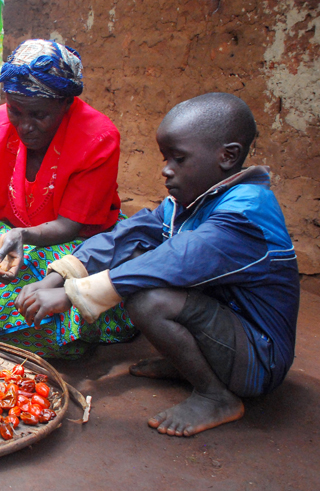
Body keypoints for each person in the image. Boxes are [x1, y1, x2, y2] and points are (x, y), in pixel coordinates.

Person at [16, 92, 300, 436]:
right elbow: (129, 234)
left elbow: (176, 260)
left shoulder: (246, 212)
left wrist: (72, 295)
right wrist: (59, 275)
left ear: (228, 156)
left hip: (258, 361)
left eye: (178, 159)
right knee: (134, 252)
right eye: (166, 158)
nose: (166, 169)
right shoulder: (191, 202)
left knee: (148, 295)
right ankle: (189, 364)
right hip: (229, 336)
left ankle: (216, 396)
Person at [0, 39, 134, 358]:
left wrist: (23, 235)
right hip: (21, 240)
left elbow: (71, 226)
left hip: (83, 242)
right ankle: (32, 330)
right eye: (15, 111)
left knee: (73, 273)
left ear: (65, 104)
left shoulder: (97, 138)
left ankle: (51, 335)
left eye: (39, 114)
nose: (25, 126)